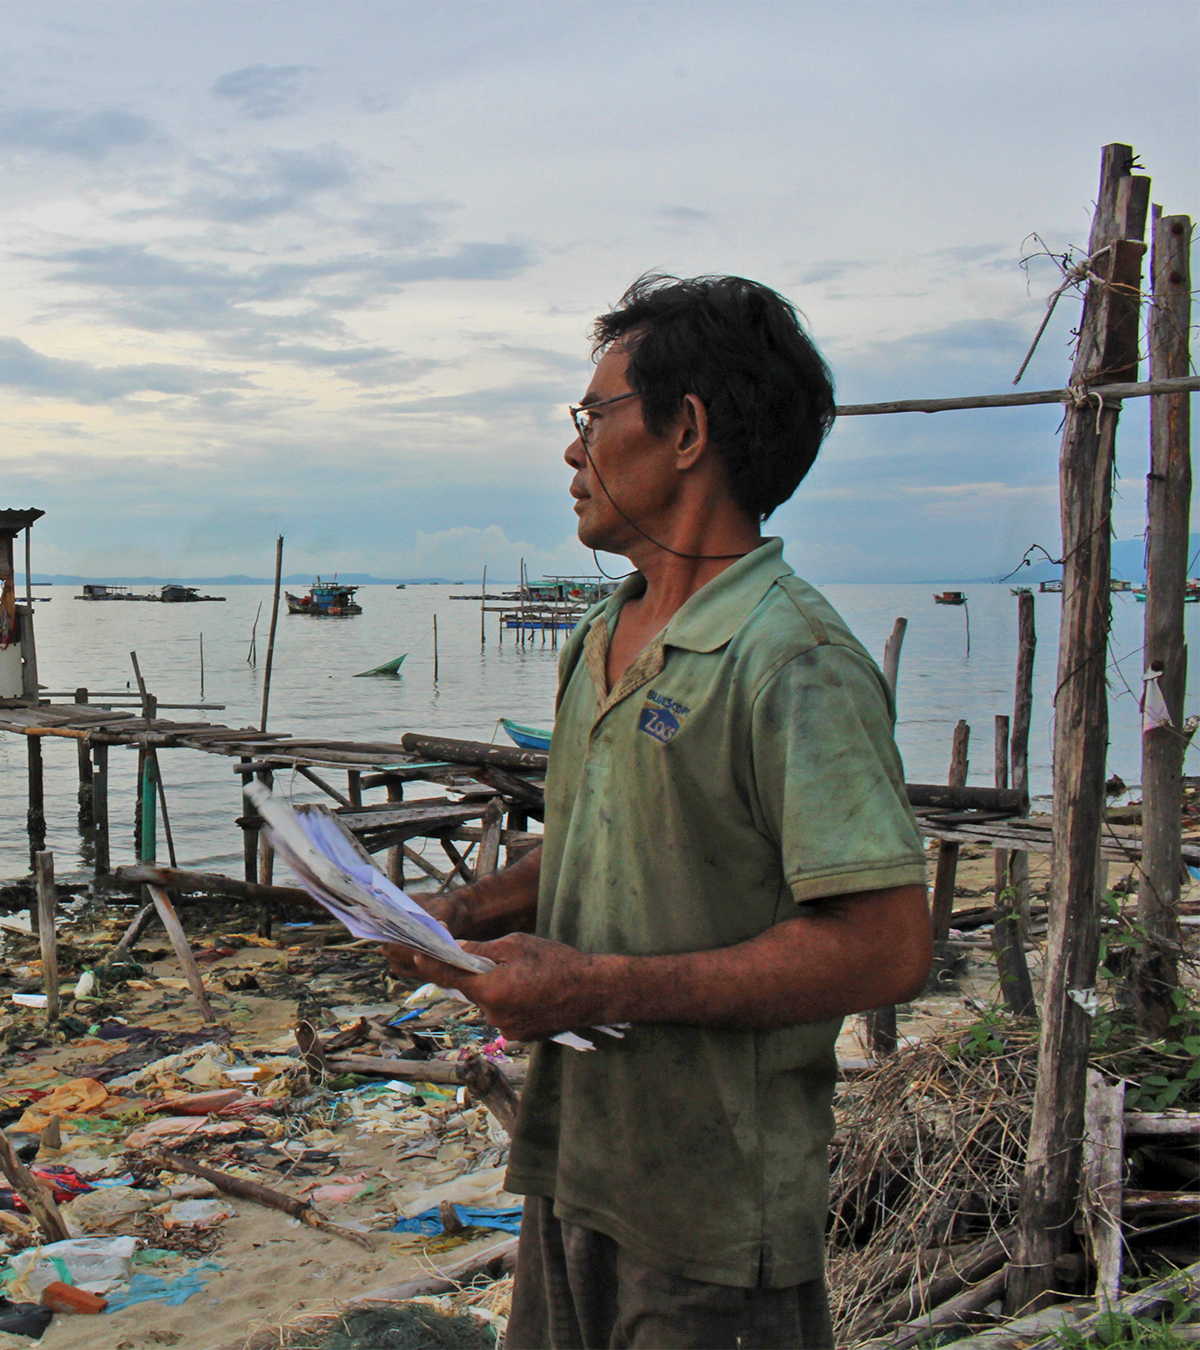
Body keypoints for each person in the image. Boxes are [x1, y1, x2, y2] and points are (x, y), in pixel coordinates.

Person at [386, 273, 933, 1349]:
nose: (572, 450)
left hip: (714, 1216)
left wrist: (598, 984)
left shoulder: (793, 661)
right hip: (573, 1164)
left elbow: (884, 946)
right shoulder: (603, 635)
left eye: (594, 417)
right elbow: (613, 832)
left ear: (687, 430)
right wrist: (470, 907)